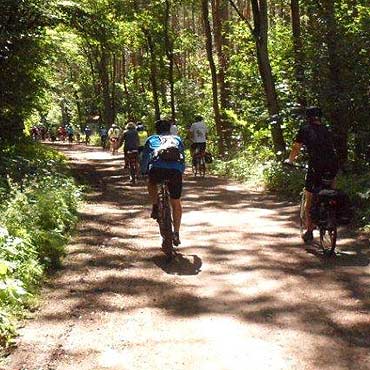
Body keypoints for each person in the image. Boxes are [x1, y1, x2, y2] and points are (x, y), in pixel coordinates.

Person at [285, 106, 338, 243]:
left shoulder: (305, 129)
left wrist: (290, 160)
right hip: (333, 166)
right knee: (331, 192)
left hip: (316, 167)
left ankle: (309, 230)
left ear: (308, 117)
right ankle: (331, 215)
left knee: (309, 200)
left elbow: (296, 147)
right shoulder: (327, 129)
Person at [141, 119, 185, 246]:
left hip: (157, 170)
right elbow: (182, 158)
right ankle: (176, 233)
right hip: (175, 172)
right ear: (169, 129)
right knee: (176, 202)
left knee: (151, 182)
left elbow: (145, 158)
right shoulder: (177, 139)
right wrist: (180, 171)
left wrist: (143, 171)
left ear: (157, 130)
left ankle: (155, 206)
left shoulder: (151, 139)